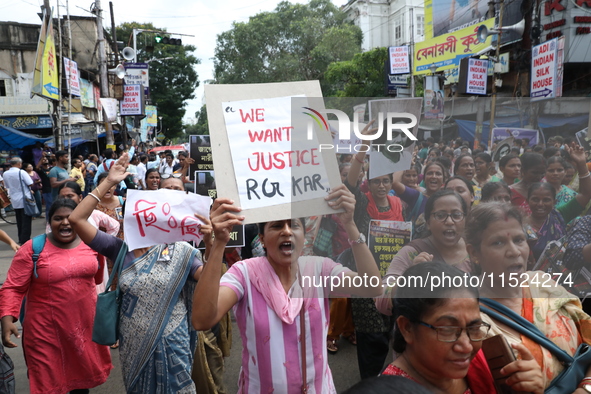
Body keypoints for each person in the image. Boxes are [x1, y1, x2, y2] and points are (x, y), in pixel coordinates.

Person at [191, 186, 382, 393]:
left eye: (294, 226)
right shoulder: (244, 274)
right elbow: (202, 319)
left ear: (304, 234)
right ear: (262, 239)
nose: (287, 231)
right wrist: (219, 243)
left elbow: (371, 287)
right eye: (276, 226)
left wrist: (350, 224)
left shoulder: (320, 269)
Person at [69, 153, 209, 393]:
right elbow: (77, 218)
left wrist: (214, 245)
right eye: (137, 212)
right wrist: (109, 182)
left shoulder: (183, 252)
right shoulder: (120, 250)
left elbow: (208, 280)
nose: (144, 218)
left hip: (174, 345)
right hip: (134, 346)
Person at [465, 201, 591, 390]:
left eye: (518, 240)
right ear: (474, 252)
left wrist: (586, 386)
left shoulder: (541, 283)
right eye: (498, 242)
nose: (514, 252)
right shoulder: (470, 318)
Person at [0, 198, 113, 394]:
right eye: (58, 218)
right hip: (45, 333)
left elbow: (96, 277)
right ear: (49, 222)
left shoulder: (92, 244)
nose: (65, 223)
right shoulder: (32, 248)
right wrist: (7, 318)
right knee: (49, 382)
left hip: (83, 328)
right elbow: (13, 287)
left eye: (71, 218)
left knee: (80, 380)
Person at [384, 262, 543, 393]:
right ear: (407, 328)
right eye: (448, 329)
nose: (466, 346)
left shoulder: (488, 364)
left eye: (474, 328)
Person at [377, 189, 473, 315]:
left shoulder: (477, 251)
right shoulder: (412, 252)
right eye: (440, 215)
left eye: (456, 215)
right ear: (428, 222)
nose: (449, 222)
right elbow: (381, 300)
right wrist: (410, 277)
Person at [2, 157, 34, 245]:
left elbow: (7, 186)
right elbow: (30, 183)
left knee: (19, 220)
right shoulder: (21, 172)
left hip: (14, 199)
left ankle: (21, 238)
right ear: (19, 164)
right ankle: (25, 240)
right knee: (26, 221)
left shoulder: (5, 173)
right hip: (24, 199)